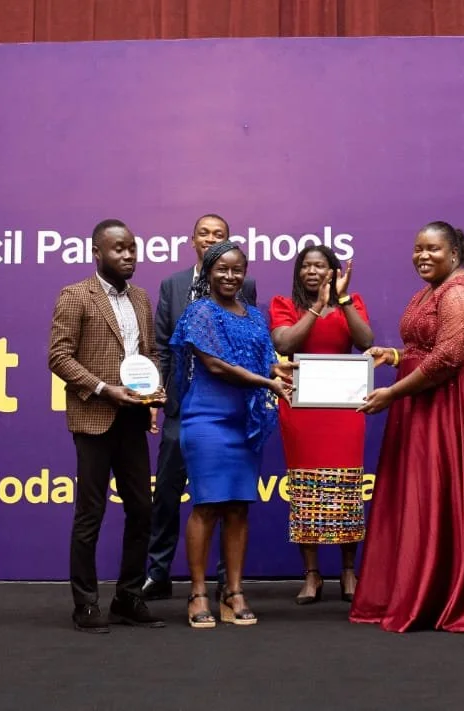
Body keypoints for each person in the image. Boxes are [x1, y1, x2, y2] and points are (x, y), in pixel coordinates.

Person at [351, 221, 464, 633]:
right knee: (426, 494)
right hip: (428, 400)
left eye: (433, 249)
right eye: (418, 248)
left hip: (455, 402)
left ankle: (448, 596)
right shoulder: (431, 291)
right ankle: (419, 588)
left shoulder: (461, 292)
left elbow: (447, 359)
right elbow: (425, 347)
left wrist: (393, 393)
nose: (422, 256)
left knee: (449, 492)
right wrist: (395, 356)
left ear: (455, 254)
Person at [48, 219, 166, 633]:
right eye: (119, 248)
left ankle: (128, 598)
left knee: (142, 510)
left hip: (133, 418)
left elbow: (149, 353)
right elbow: (59, 357)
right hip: (94, 418)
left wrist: (153, 393)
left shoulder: (142, 298)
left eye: (132, 248)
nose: (128, 255)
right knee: (90, 514)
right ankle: (85, 604)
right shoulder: (76, 295)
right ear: (97, 252)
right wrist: (104, 389)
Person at [170, 241, 295, 628]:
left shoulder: (255, 316)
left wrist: (277, 371)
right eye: (222, 269)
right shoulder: (200, 311)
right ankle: (197, 593)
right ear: (208, 272)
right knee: (207, 506)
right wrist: (266, 382)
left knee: (239, 506)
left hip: (245, 422)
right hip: (207, 419)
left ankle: (233, 592)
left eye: (237, 269)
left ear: (245, 273)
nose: (229, 276)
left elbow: (264, 361)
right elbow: (216, 365)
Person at [143, 214, 258, 601]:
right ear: (192, 240)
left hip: (229, 405)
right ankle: (158, 572)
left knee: (227, 498)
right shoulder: (173, 285)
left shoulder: (244, 287)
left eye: (219, 234)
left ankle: (226, 581)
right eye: (204, 234)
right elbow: (162, 347)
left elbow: (247, 344)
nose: (211, 238)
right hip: (182, 404)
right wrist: (157, 397)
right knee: (168, 491)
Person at [270, 246, 374, 604]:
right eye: (306, 266)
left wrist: (341, 299)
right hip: (303, 410)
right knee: (306, 492)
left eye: (320, 266)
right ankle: (312, 574)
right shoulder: (285, 304)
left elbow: (366, 341)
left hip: (344, 409)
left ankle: (348, 571)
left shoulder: (351, 302)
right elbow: (285, 342)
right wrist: (316, 306)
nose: (312, 272)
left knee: (346, 491)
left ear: (333, 271)